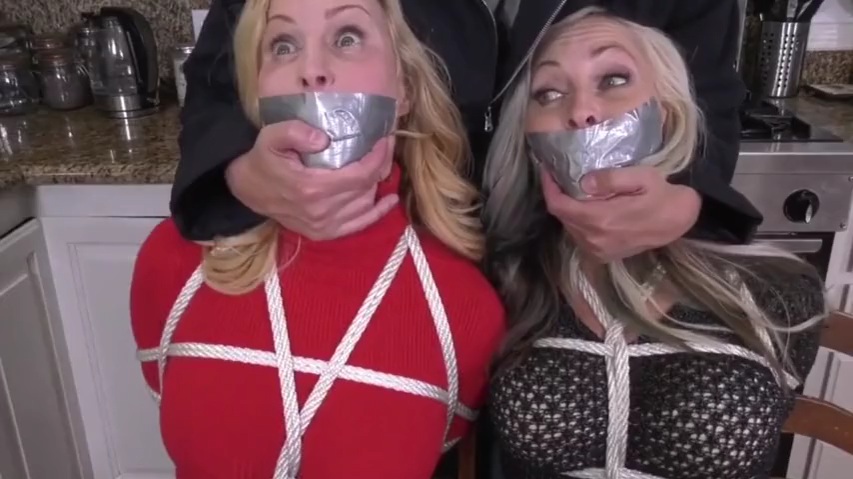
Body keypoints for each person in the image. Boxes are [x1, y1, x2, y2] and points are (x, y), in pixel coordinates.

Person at [129, 0, 505, 478]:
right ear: (255, 93)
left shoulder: (468, 312)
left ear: (405, 88)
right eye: (283, 45)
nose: (311, 70)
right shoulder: (172, 264)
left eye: (347, 38)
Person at [482, 8, 826, 479]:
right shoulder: (503, 288)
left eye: (613, 79)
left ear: (667, 113)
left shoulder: (780, 294)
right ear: (527, 139)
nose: (581, 111)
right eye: (549, 93)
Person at [173, 0, 761, 262]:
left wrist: (689, 195)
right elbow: (224, 75)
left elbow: (707, 88)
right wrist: (238, 173)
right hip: (383, 253)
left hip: (572, 274)